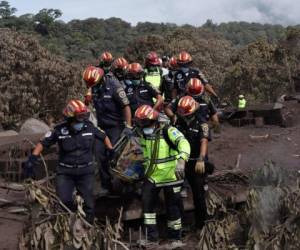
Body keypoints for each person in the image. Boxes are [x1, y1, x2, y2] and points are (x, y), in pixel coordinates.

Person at [22, 100, 113, 224]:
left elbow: (104, 136)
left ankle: (87, 228)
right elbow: (43, 143)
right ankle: (68, 228)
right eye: (79, 117)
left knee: (89, 204)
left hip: (85, 172)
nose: (82, 120)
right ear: (70, 118)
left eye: (84, 116)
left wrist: (110, 150)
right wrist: (32, 160)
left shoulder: (90, 127)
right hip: (65, 172)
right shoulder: (59, 130)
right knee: (64, 202)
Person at [134, 105, 190, 248]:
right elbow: (145, 155)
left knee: (173, 208)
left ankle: (175, 238)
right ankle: (151, 239)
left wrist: (182, 160)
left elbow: (184, 143)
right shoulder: (143, 134)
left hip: (171, 176)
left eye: (145, 123)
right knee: (147, 207)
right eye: (140, 123)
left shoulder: (168, 131)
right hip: (152, 177)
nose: (142, 126)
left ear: (153, 120)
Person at [83, 65, 132, 195]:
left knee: (116, 155)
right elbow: (86, 106)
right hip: (101, 126)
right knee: (99, 154)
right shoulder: (93, 87)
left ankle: (126, 183)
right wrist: (87, 100)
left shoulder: (114, 86)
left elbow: (126, 106)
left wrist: (128, 126)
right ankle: (106, 185)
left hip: (116, 126)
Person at [173, 96, 215, 230]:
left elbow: (204, 141)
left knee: (198, 194)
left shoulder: (202, 124)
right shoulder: (178, 122)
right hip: (180, 161)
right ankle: (181, 224)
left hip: (196, 162)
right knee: (175, 193)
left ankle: (201, 225)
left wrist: (201, 159)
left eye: (187, 114)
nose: (185, 116)